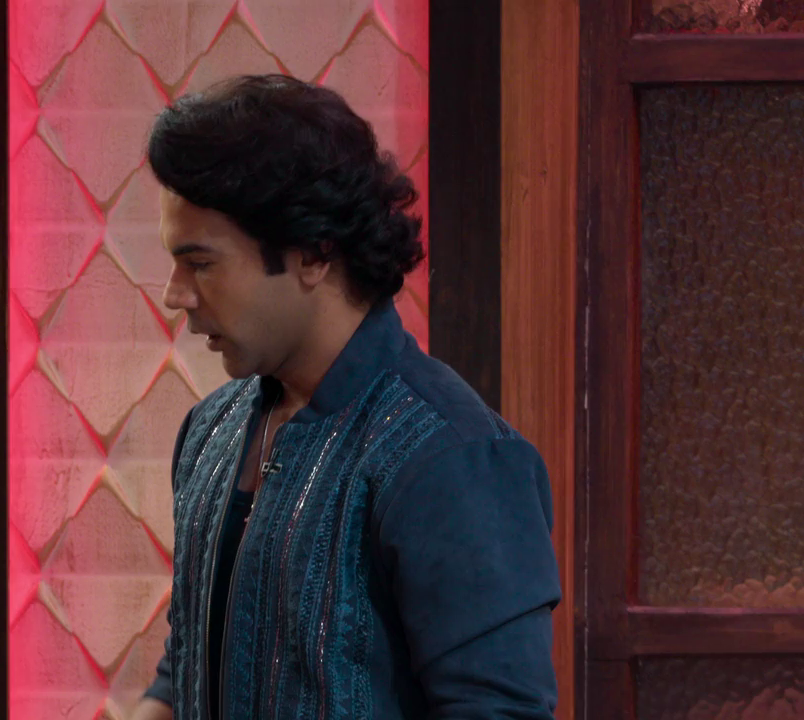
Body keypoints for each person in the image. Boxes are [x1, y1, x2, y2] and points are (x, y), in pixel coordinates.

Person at [131, 74, 560, 720]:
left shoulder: (453, 459)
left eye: (201, 263)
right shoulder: (211, 429)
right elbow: (191, 658)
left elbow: (498, 711)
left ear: (313, 253)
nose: (175, 294)